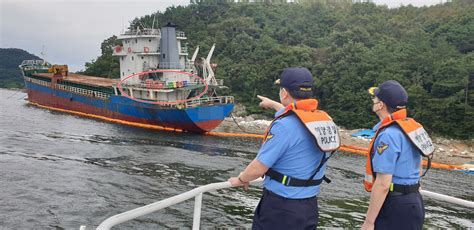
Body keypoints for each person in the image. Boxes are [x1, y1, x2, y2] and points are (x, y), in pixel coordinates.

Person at [228, 67, 340, 230]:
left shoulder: (284, 126)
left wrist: (241, 179)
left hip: (280, 209)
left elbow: (259, 166)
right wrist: (273, 104)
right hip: (309, 207)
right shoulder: (324, 120)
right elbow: (298, 117)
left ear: (284, 93)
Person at [362, 80, 435, 230]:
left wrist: (368, 222)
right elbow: (418, 168)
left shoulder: (388, 135)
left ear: (381, 105)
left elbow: (383, 184)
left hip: (395, 206)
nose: (373, 100)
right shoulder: (410, 129)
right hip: (415, 202)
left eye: (375, 98)